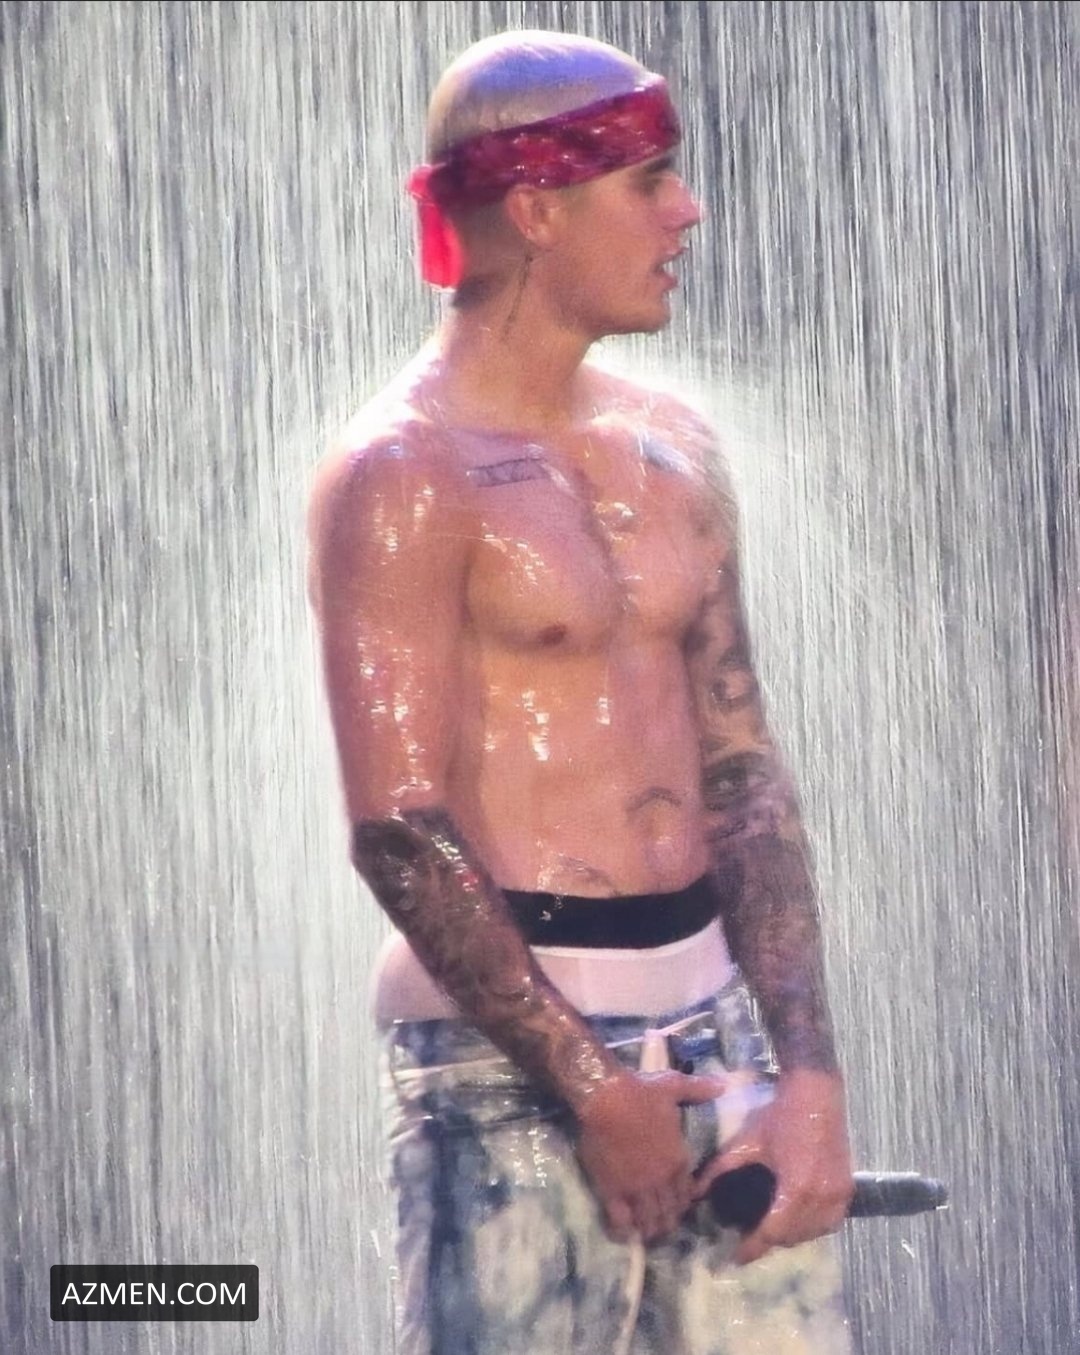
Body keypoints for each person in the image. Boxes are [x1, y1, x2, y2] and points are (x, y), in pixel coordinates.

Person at [308, 29, 853, 1355]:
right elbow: (399, 828)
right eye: (649, 182)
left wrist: (810, 1076)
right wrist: (595, 1090)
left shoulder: (674, 447)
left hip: (721, 1036)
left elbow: (741, 769)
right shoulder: (402, 474)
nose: (688, 211)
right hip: (506, 1075)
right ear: (539, 209)